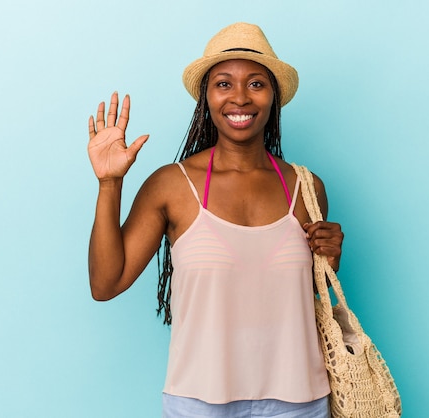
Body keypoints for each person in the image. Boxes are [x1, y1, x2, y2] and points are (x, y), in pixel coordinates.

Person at [87, 22, 344, 418]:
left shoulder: (307, 187)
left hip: (299, 402)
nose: (240, 97)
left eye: (256, 84)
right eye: (224, 84)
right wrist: (110, 184)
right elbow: (106, 284)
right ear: (206, 96)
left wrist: (331, 259)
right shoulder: (172, 185)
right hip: (200, 402)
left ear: (273, 97)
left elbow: (299, 297)